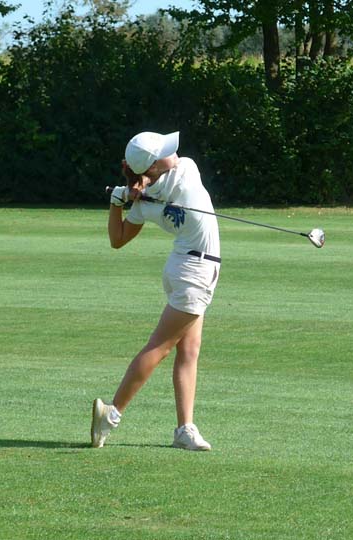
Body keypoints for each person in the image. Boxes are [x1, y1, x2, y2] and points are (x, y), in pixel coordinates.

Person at [91, 131, 220, 451]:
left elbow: (117, 237)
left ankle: (184, 429)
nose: (172, 153)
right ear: (151, 167)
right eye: (163, 153)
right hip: (193, 274)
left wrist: (117, 201)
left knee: (189, 351)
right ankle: (111, 413)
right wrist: (137, 192)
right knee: (160, 347)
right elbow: (118, 241)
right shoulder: (185, 170)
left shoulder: (145, 204)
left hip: (184, 268)